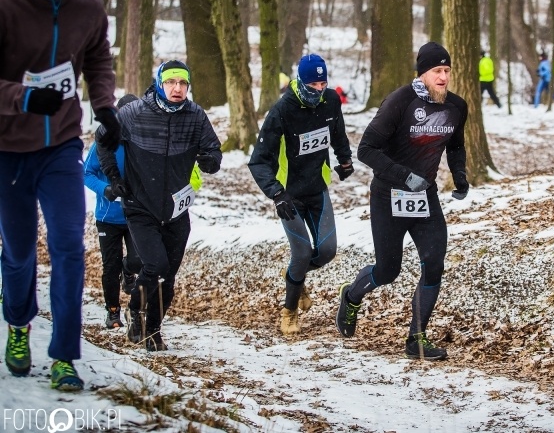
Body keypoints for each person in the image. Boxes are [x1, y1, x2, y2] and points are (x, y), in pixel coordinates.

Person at [0, 0, 121, 391]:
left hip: (61, 147)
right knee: (19, 250)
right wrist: (23, 98)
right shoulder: (5, 7)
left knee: (70, 247)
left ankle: (65, 356)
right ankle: (18, 324)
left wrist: (105, 106)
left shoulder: (88, 6)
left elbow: (97, 57)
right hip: (8, 149)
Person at [335, 41, 469, 360]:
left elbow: (456, 146)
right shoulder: (399, 101)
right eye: (437, 70)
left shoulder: (456, 107)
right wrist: (405, 177)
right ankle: (351, 296)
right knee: (387, 270)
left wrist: (460, 176)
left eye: (447, 71)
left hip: (426, 198)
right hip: (389, 196)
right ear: (422, 73)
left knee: (434, 265)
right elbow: (366, 149)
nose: (443, 77)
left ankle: (416, 338)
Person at [97, 60, 222, 352]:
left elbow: (214, 152)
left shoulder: (195, 116)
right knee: (155, 264)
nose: (177, 89)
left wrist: (209, 161)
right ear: (160, 83)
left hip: (177, 209)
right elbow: (103, 140)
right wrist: (115, 180)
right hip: (141, 206)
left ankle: (153, 329)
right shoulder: (133, 113)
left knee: (168, 277)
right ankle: (134, 310)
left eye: (183, 84)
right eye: (171, 83)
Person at [248, 54, 353, 336]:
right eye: (313, 85)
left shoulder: (330, 100)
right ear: (300, 82)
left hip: (317, 188)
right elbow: (258, 161)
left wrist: (345, 161)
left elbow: (337, 132)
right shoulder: (282, 110)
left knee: (328, 251)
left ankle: (295, 278)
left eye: (323, 83)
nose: (319, 90)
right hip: (289, 195)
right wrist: (276, 194)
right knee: (303, 252)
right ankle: (290, 309)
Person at [84, 94, 142, 329]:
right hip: (108, 216)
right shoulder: (105, 141)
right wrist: (106, 189)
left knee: (138, 261)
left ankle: (128, 273)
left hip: (136, 214)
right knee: (111, 265)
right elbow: (86, 173)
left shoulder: (142, 140)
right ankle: (113, 311)